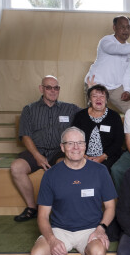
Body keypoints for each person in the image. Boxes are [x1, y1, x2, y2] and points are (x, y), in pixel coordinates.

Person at [29, 127, 116, 255]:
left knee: (98, 252)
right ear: (62, 147)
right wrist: (52, 239)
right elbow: (42, 216)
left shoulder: (100, 171)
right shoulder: (51, 175)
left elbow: (111, 207)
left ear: (85, 146)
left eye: (80, 143)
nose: (76, 147)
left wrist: (101, 228)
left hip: (91, 229)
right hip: (60, 229)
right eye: (70, 143)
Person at [11, 75, 80, 222]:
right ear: (41, 89)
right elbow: (25, 135)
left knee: (65, 167)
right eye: (49, 87)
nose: (53, 91)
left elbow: (89, 114)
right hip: (36, 150)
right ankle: (32, 208)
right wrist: (37, 155)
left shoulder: (70, 108)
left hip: (60, 151)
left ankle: (61, 208)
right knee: (16, 167)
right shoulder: (29, 109)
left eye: (56, 88)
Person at [84, 15, 130, 113]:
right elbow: (118, 49)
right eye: (122, 27)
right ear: (114, 27)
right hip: (96, 84)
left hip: (116, 88)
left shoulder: (129, 48)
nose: (126, 30)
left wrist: (127, 90)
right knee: (94, 114)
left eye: (128, 27)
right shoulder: (106, 41)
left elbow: (127, 71)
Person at [71, 84, 124, 171]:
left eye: (102, 96)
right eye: (94, 96)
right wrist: (83, 156)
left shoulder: (114, 116)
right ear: (89, 99)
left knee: (104, 169)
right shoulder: (80, 116)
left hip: (108, 156)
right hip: (82, 155)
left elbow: (119, 141)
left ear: (106, 100)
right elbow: (73, 137)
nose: (98, 99)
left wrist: (103, 157)